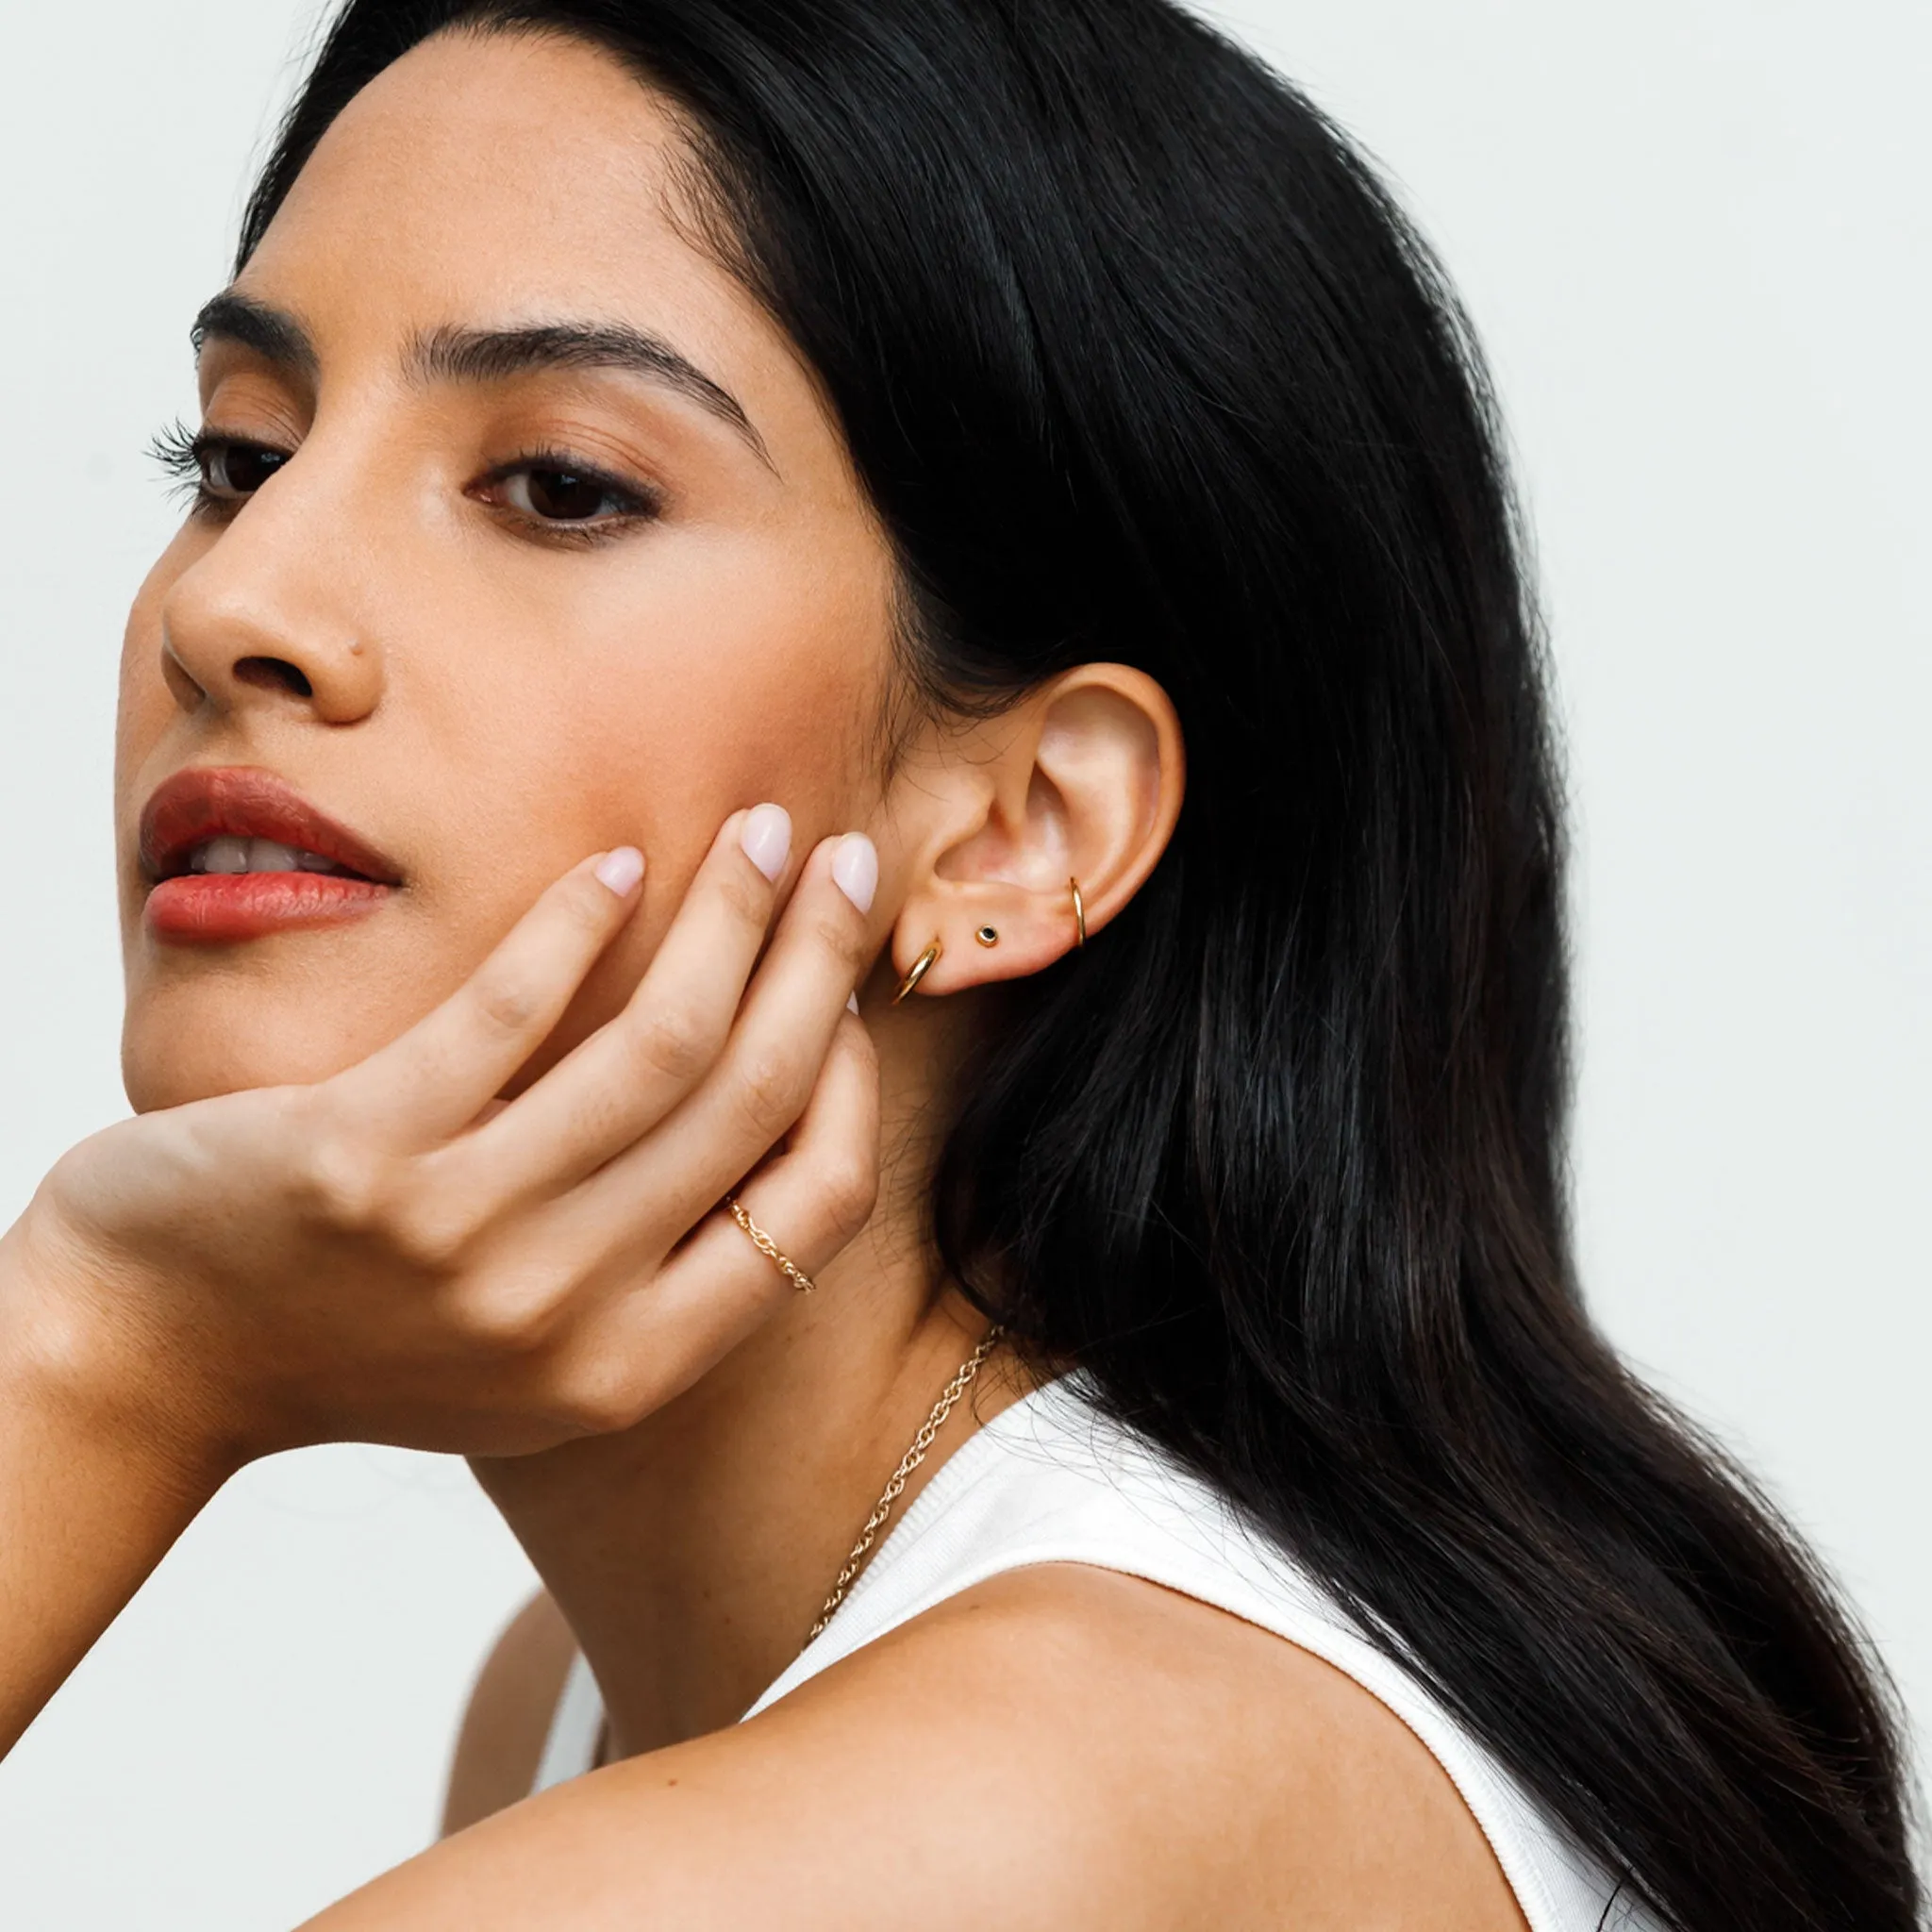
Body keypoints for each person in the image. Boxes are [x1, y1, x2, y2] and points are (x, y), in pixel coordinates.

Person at [0, 3, 1919, 1927]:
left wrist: (107, 1356)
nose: (233, 604)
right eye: (241, 451)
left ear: (1024, 831)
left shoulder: (1024, 1806)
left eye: (560, 485)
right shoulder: (592, 1697)